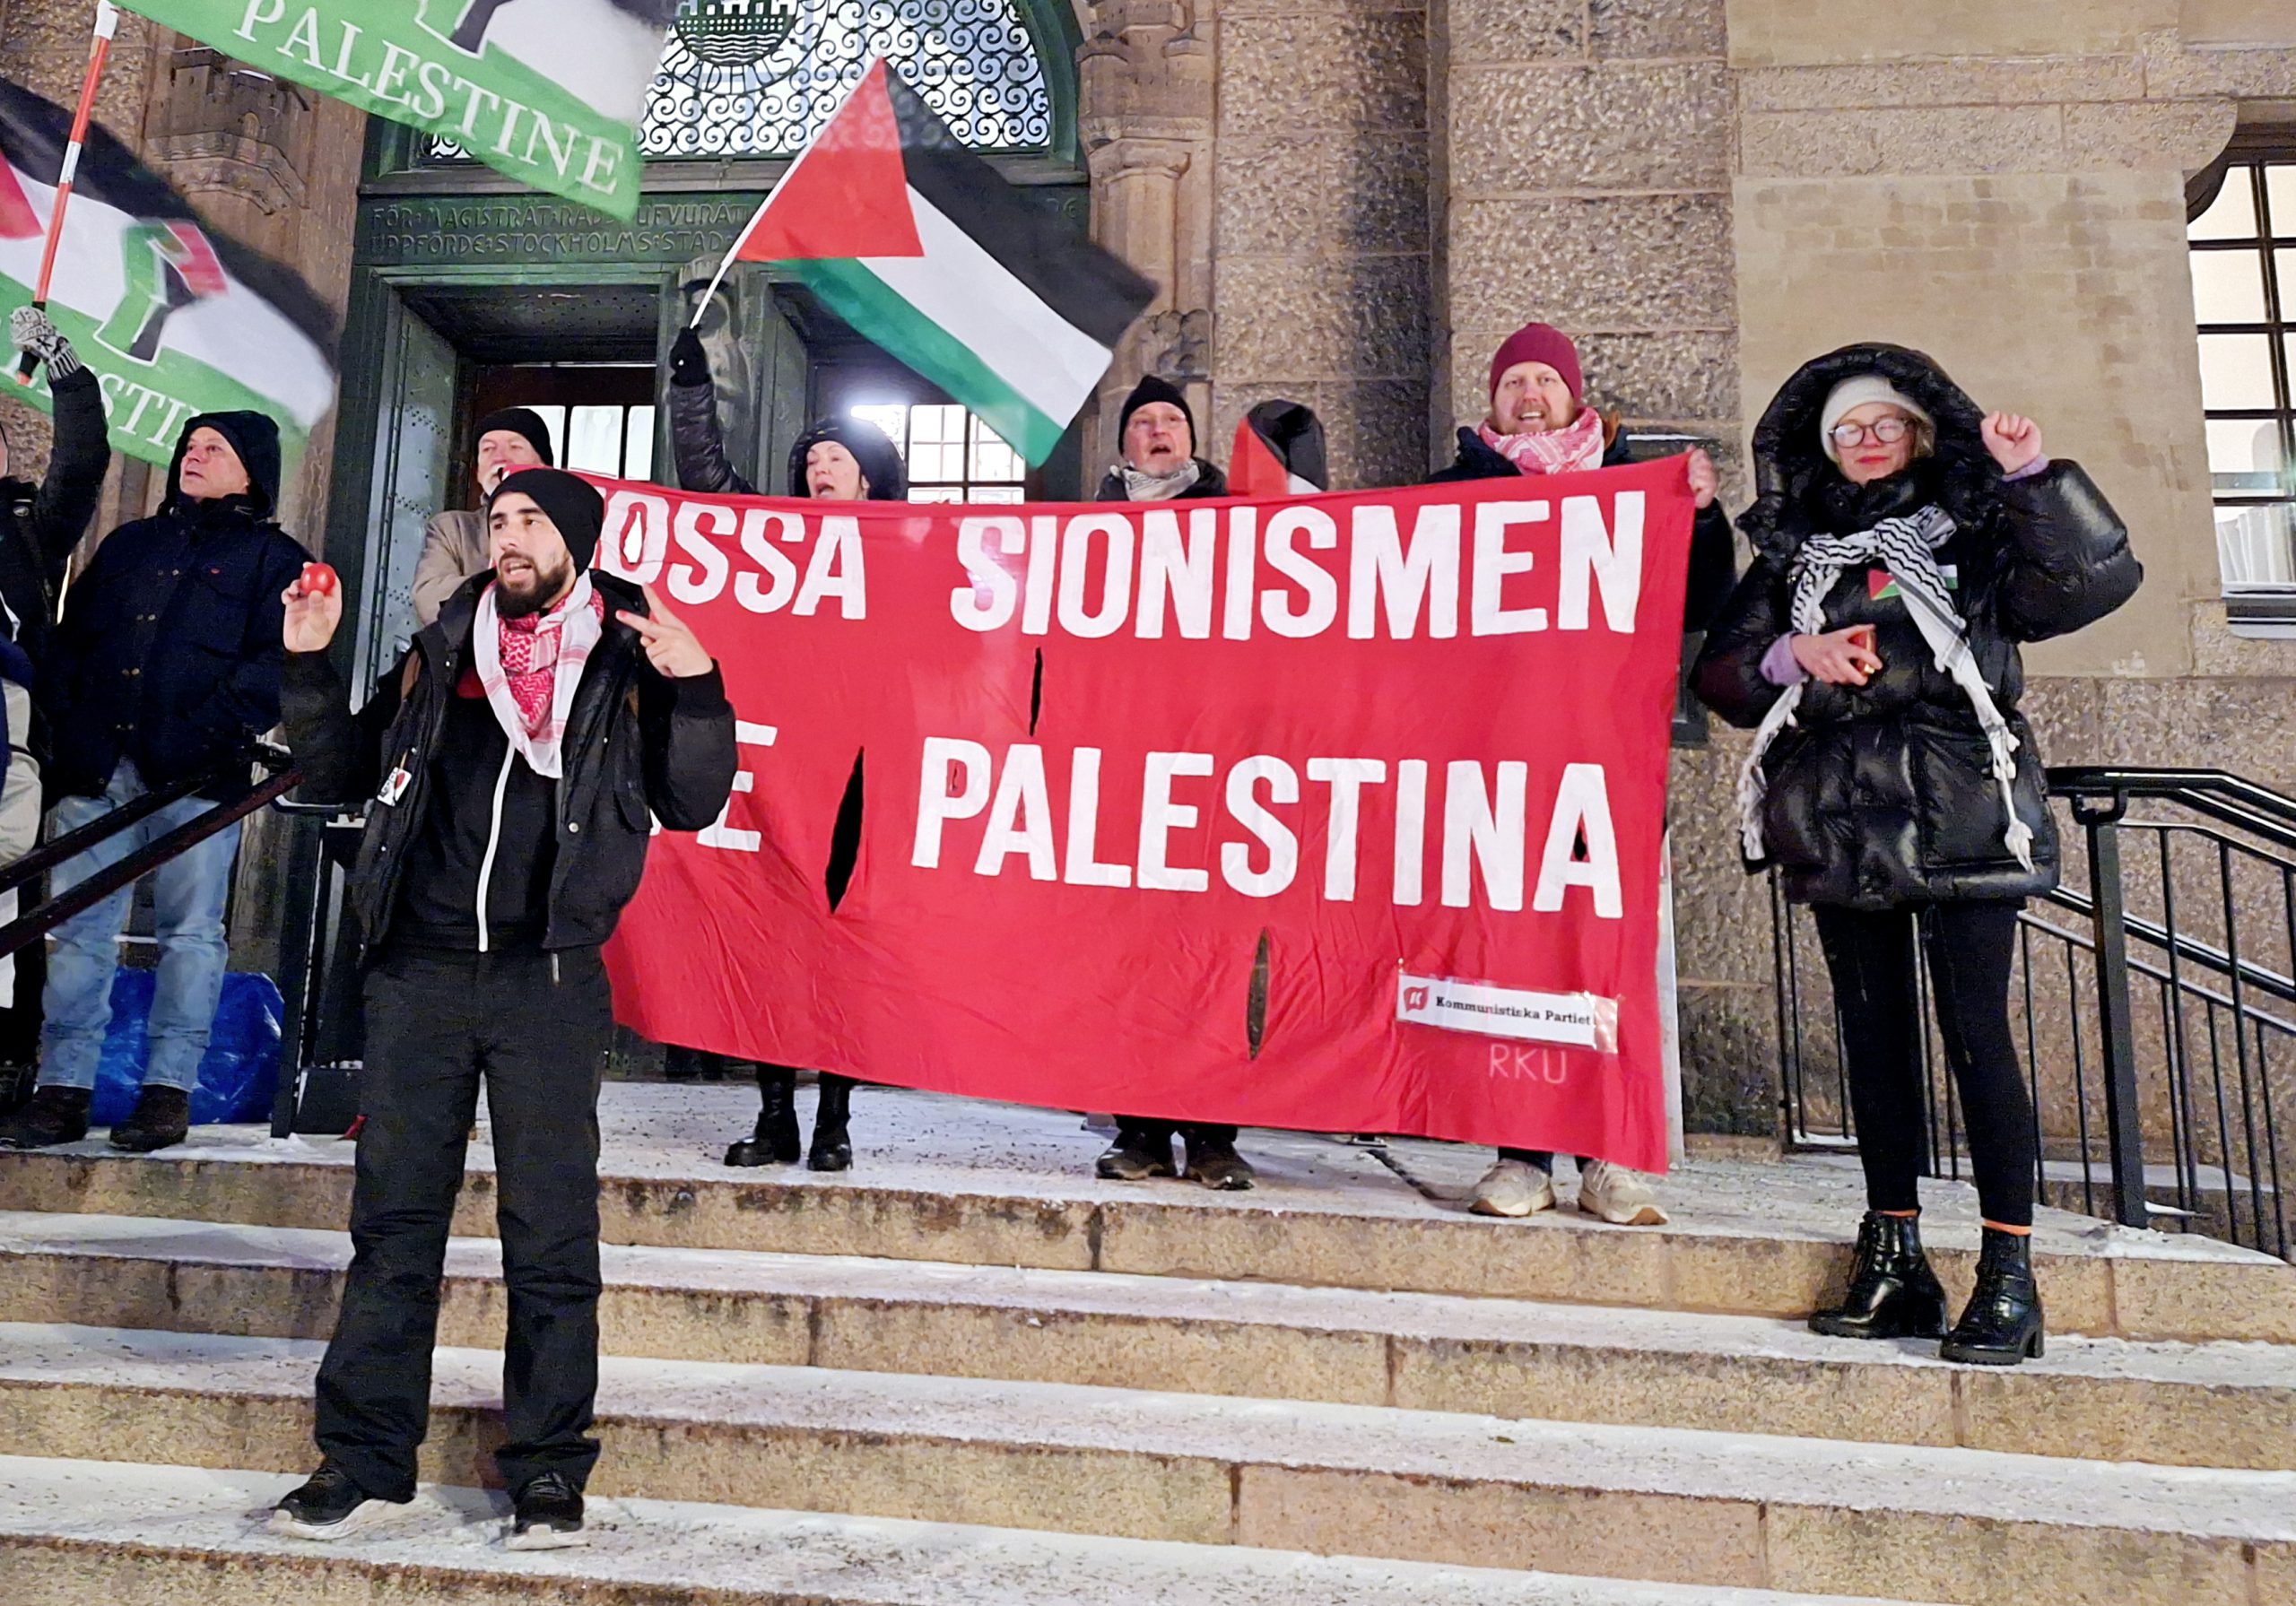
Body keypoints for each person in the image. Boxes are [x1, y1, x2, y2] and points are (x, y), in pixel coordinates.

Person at [267, 467, 735, 1545]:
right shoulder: (442, 649)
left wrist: (699, 689)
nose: (510, 537)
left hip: (549, 982)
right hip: (418, 974)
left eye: (532, 522)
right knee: (393, 1226)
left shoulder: (624, 656)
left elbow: (691, 800)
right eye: (501, 521)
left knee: (551, 1232)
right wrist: (306, 665)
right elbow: (339, 776)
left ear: (575, 541)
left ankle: (549, 1466)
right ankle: (362, 1458)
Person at [1694, 343, 2138, 1366]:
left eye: (1882, 425)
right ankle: (1894, 1255)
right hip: (1843, 822)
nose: (1864, 442)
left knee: (1978, 1038)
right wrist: (1794, 654)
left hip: (1964, 811)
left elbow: (2084, 585)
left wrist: (2033, 480)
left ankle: (2008, 1271)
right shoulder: (1797, 556)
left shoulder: (1974, 531)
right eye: (1845, 430)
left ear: (1919, 434)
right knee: (1876, 1044)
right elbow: (1722, 675)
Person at [1434, 321, 1737, 1228]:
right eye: (1513, 383)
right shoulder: (1453, 493)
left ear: (1574, 398)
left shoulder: (1629, 487)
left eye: (1543, 381)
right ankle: (1520, 1152)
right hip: (1494, 764)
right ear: (1493, 403)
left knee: (1604, 958)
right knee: (1510, 955)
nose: (1528, 396)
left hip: (1604, 764)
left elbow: (1703, 602)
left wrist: (1703, 516)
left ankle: (1606, 1153)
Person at [0, 410, 306, 1156]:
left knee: (191, 935)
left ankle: (168, 1092)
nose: (193, 457)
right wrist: (72, 727)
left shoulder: (276, 559)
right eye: (189, 446)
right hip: (98, 766)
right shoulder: (130, 543)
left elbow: (276, 669)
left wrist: (206, 732)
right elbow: (70, 642)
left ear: (251, 470)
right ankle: (61, 1090)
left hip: (199, 782)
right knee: (77, 931)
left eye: (213, 449)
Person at [668, 326, 901, 1171]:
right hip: (779, 776)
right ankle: (775, 1116)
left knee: (842, 951)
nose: (819, 468)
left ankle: (834, 1118)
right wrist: (691, 393)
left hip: (863, 786)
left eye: (836, 458)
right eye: (811, 460)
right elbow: (708, 484)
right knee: (773, 943)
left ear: (869, 477)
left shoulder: (910, 553)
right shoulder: (777, 546)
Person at [0, 308, 111, 1020]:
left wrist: (65, 373)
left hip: (10, 744)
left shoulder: (28, 533)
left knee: (11, 899)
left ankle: (10, 1049)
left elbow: (80, 466)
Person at [410, 407, 555, 629]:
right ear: (478, 472)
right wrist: (524, 586)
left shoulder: (568, 525)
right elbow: (430, 599)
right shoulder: (452, 529)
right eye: (488, 449)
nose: (500, 457)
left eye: (515, 447)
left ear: (544, 466)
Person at [1095, 374, 1227, 502]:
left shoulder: (1232, 510)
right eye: (1143, 422)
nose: (1159, 430)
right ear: (1124, 448)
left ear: (1190, 439)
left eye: (1172, 420)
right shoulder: (1098, 514)